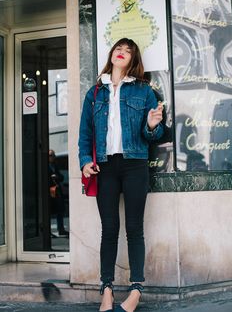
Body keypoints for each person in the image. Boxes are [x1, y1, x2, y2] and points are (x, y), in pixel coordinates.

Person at [78, 38, 164, 312]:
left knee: (134, 229)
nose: (122, 52)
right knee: (109, 230)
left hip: (135, 164)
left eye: (128, 51)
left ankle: (136, 289)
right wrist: (84, 162)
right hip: (105, 167)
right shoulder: (95, 93)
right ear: (112, 53)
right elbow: (85, 135)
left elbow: (154, 135)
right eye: (119, 48)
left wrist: (152, 126)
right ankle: (106, 290)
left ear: (133, 59)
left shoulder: (144, 91)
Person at [49, 149, 69, 237]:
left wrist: (56, 177)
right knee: (48, 211)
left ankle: (61, 229)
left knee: (60, 210)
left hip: (56, 190)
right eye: (50, 155)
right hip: (49, 191)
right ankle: (47, 231)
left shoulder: (54, 166)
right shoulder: (45, 166)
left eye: (52, 155)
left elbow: (61, 177)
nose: (52, 157)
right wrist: (51, 177)